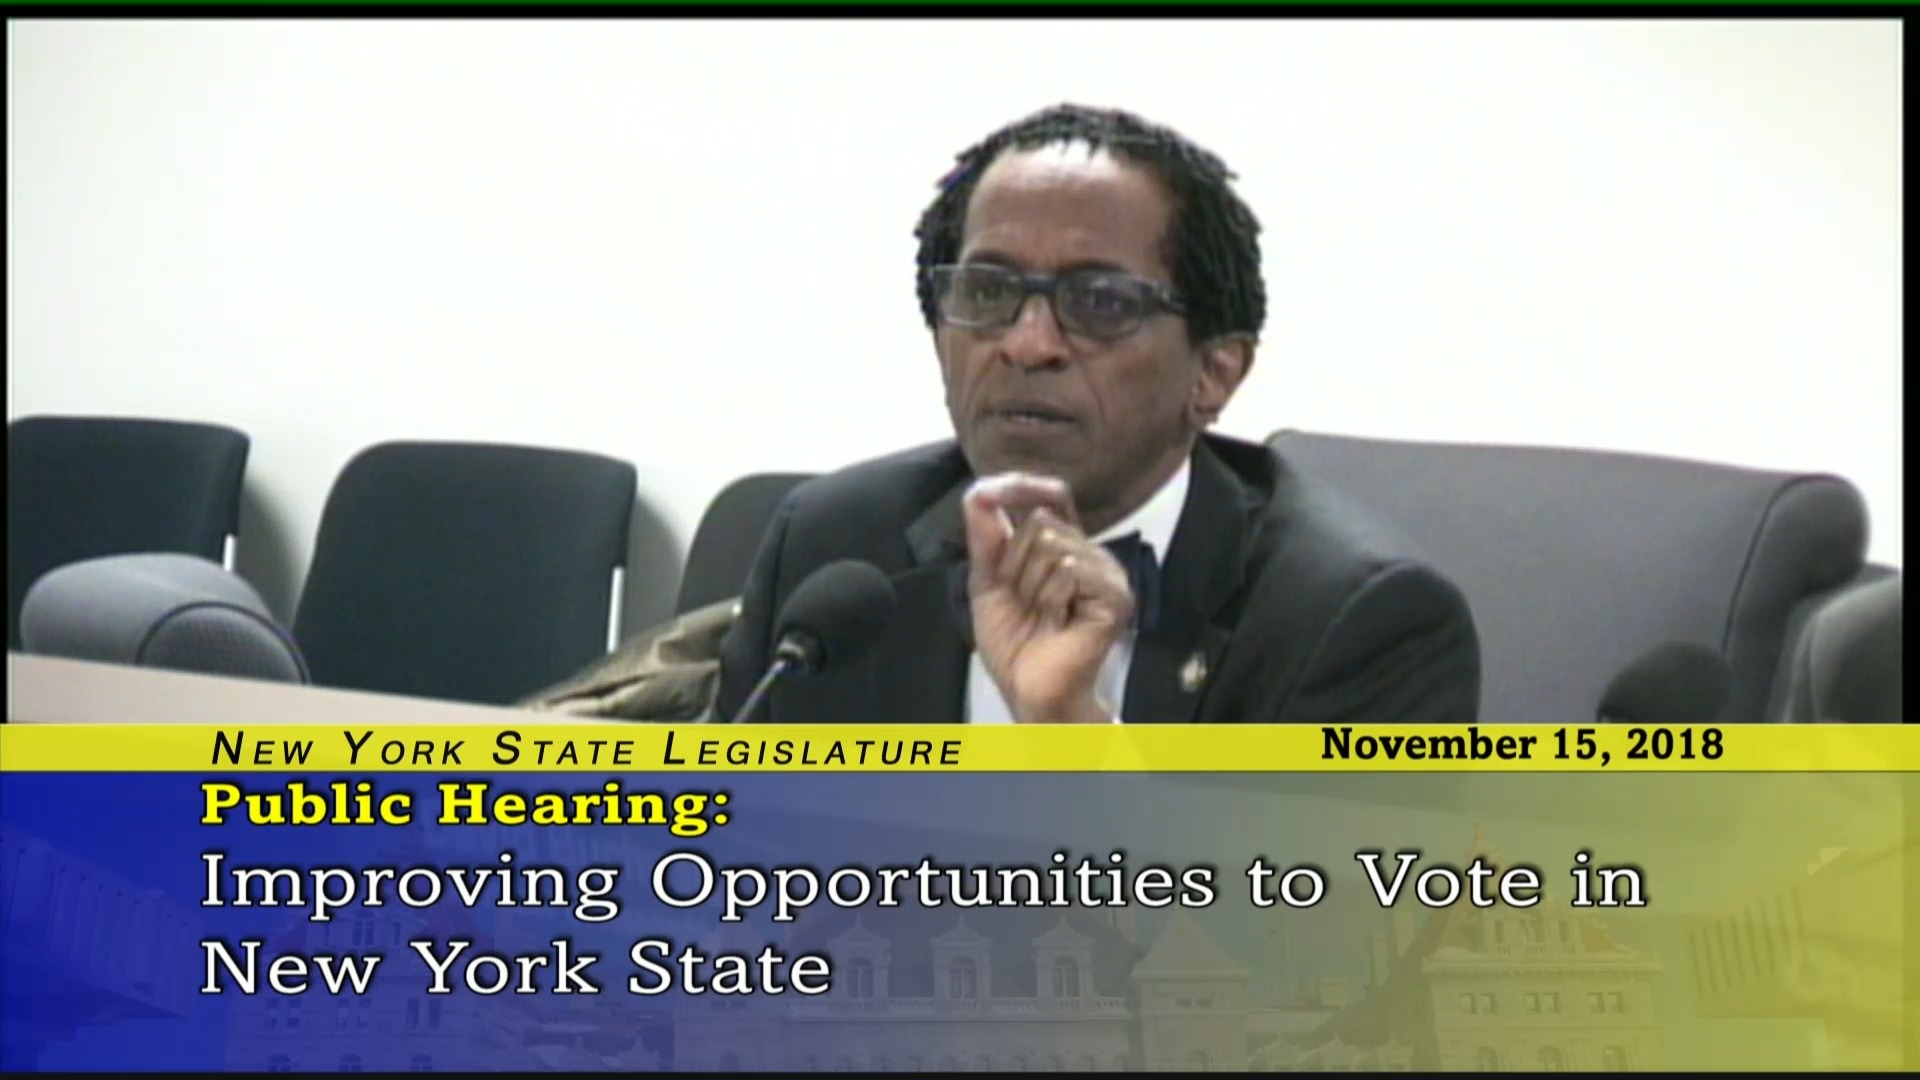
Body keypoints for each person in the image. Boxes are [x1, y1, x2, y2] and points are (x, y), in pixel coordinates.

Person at [716, 104, 1480, 725]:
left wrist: (1073, 738)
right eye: (988, 292)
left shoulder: (1358, 621)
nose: (1028, 344)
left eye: (1102, 303)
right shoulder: (834, 545)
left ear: (1214, 374)